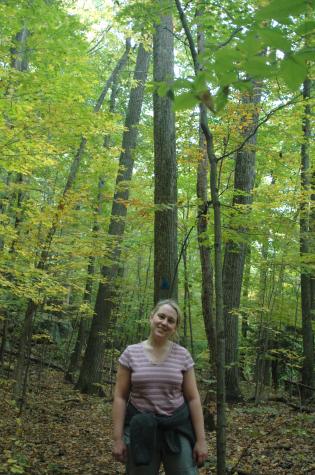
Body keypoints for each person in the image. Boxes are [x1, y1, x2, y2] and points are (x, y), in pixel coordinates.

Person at [112, 299, 208, 474]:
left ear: (175, 327)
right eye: (161, 316)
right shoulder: (130, 353)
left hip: (177, 428)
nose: (164, 323)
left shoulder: (183, 355)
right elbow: (120, 397)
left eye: (171, 320)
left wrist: (201, 440)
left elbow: (193, 399)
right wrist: (118, 439)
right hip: (141, 429)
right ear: (151, 317)